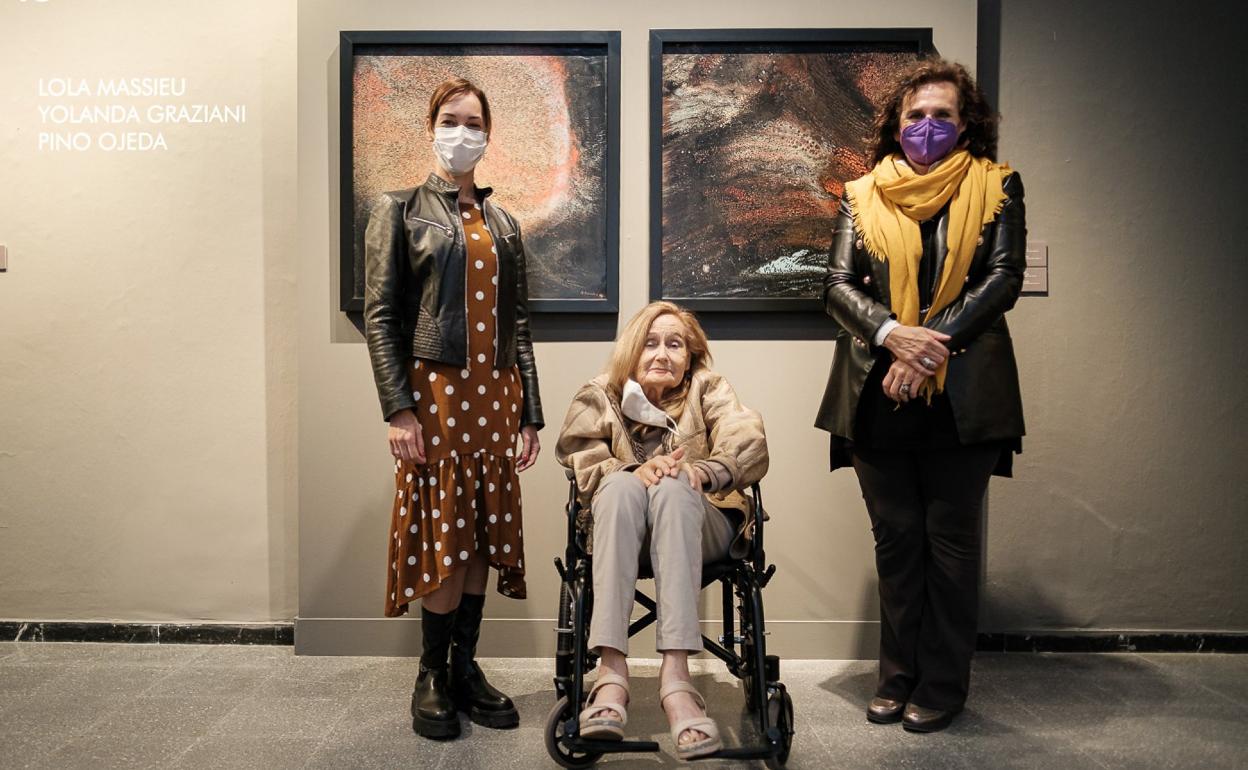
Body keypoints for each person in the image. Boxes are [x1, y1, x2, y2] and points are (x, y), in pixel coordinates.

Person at [814, 58, 1026, 733]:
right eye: (916, 115)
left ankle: (941, 684)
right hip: (876, 394)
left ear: (965, 124)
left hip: (964, 397)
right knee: (897, 544)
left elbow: (1003, 278)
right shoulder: (861, 194)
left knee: (952, 545)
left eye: (942, 115)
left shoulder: (998, 186)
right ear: (896, 124)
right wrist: (891, 335)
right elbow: (836, 286)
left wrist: (928, 347)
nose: (927, 126)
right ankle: (896, 677)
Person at [363, 77, 544, 740]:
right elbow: (380, 315)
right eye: (450, 119)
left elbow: (517, 324)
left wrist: (530, 412)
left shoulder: (505, 225)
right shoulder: (399, 210)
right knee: (445, 529)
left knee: (479, 532)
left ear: (488, 134)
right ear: (430, 127)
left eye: (473, 122)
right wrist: (398, 408)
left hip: (495, 397)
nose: (461, 132)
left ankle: (465, 668)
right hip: (435, 397)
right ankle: (432, 674)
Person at [555, 301, 768, 760]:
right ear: (631, 350)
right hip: (621, 528)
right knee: (619, 487)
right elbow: (581, 458)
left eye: (675, 344)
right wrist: (634, 471)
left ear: (691, 357)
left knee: (674, 487)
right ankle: (611, 675)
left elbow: (746, 439)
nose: (662, 354)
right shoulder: (599, 395)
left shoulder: (708, 389)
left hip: (702, 524)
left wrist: (703, 472)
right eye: (650, 343)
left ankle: (677, 680)